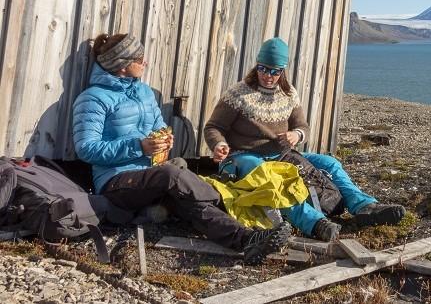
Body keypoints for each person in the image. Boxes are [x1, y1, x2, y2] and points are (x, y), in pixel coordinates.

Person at [72, 33, 291, 265]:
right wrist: (138, 147)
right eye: (139, 59)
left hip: (152, 173)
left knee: (186, 198)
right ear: (122, 65)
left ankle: (247, 239)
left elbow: (158, 126)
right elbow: (86, 149)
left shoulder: (144, 92)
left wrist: (164, 139)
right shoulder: (93, 99)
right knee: (173, 175)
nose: (145, 62)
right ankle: (221, 198)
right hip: (115, 181)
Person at [204, 37, 406, 242]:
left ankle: (364, 206)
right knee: (271, 178)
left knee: (330, 163)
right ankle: (316, 223)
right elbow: (214, 127)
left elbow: (302, 127)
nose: (268, 76)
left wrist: (296, 135)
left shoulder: (289, 94)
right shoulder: (237, 94)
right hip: (243, 157)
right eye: (263, 69)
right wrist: (219, 144)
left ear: (282, 70)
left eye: (275, 71)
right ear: (257, 65)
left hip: (281, 155)